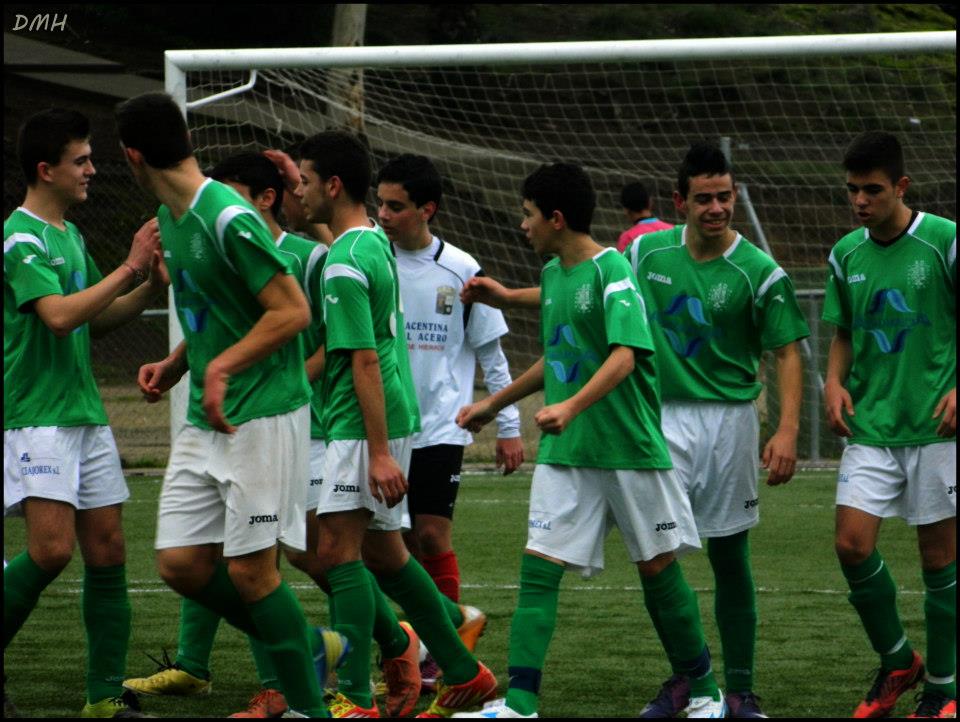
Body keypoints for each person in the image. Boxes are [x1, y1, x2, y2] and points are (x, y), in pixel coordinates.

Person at [461, 143, 809, 718]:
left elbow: (626, 352)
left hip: (632, 446)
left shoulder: (615, 268)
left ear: (555, 218)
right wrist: (491, 404)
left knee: (660, 566)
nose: (520, 225)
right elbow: (562, 351)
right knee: (538, 565)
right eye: (706, 196)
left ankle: (706, 692)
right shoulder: (566, 271)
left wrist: (570, 405)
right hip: (572, 448)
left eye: (527, 214)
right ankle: (519, 704)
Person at [115, 92, 330, 718]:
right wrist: (178, 363)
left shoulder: (227, 215)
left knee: (253, 575)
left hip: (262, 413)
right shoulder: (169, 216)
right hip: (210, 415)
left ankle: (309, 707)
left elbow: (292, 312)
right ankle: (309, 644)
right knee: (180, 564)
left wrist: (224, 369)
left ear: (133, 155)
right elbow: (220, 314)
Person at [299, 130, 498, 718]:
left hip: (363, 426)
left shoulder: (344, 262)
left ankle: (354, 698)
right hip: (389, 418)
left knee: (338, 555)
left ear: (333, 186)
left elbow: (362, 358)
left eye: (306, 182)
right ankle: (466, 674)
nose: (300, 192)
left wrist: (379, 451)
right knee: (387, 555)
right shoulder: (371, 246)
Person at [4, 108, 165, 718]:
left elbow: (96, 319)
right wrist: (129, 263)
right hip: (37, 415)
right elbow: (60, 315)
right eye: (81, 160)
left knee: (108, 551)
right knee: (50, 552)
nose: (93, 170)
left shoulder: (67, 234)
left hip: (84, 414)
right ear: (46, 170)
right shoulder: (20, 237)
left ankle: (101, 698)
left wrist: (149, 283)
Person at [376, 153, 523, 690]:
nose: (384, 215)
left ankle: (445, 651)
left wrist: (509, 428)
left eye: (396, 206)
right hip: (383, 427)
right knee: (393, 547)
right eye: (380, 204)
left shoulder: (462, 269)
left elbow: (493, 355)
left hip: (441, 424)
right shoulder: (369, 256)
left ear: (427, 209)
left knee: (431, 536)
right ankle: (420, 640)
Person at [823, 131, 955, 719]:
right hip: (872, 425)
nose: (860, 201)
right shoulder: (846, 252)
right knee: (851, 545)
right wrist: (832, 381)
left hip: (936, 427)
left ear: (901, 186)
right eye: (852, 190)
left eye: (872, 190)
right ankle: (900, 660)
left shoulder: (945, 242)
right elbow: (844, 331)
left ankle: (945, 692)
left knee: (938, 560)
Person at [615, 181, 673, 253]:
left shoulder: (627, 238)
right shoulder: (672, 231)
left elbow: (623, 264)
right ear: (650, 202)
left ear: (626, 210)